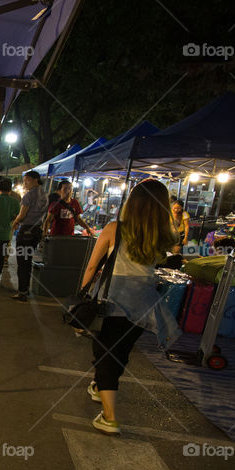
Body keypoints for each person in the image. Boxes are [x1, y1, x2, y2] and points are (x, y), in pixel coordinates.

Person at [81, 179, 179, 435]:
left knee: (104, 353)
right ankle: (99, 385)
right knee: (121, 351)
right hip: (144, 302)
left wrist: (82, 292)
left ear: (131, 203)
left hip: (114, 299)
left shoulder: (114, 228)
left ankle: (110, 418)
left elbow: (93, 266)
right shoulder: (162, 234)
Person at [10, 170, 48, 301]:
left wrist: (14, 223)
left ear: (35, 180)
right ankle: (25, 289)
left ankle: (22, 292)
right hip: (37, 230)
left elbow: (22, 215)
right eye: (24, 180)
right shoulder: (44, 194)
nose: (25, 182)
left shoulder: (28, 196)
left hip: (26, 230)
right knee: (28, 259)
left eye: (27, 180)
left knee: (22, 262)